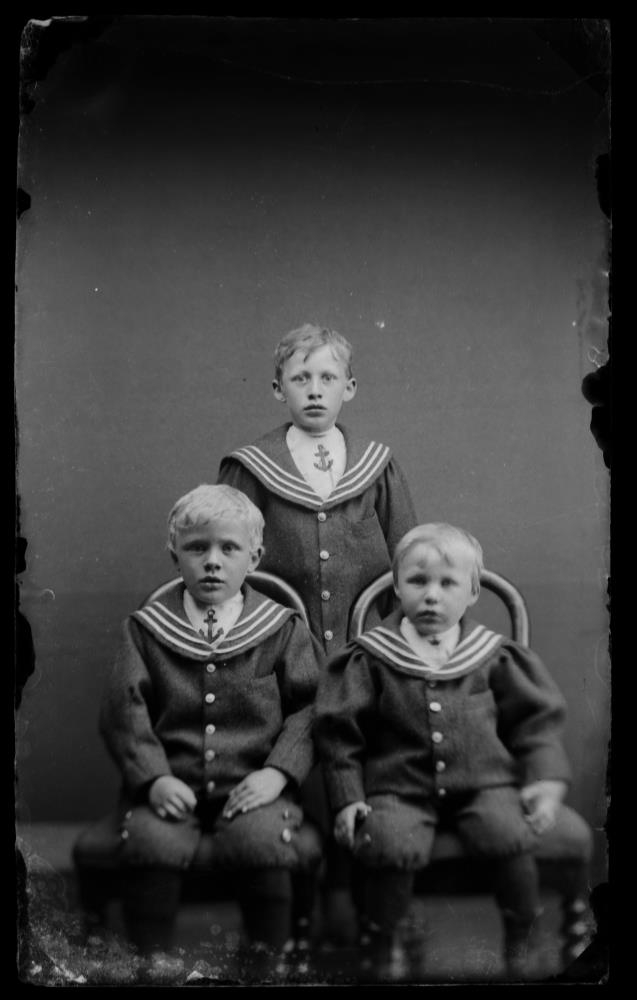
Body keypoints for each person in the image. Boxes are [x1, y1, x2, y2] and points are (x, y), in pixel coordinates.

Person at [217, 323, 418, 942]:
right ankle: (295, 914)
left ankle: (367, 913)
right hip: (281, 662)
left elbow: (410, 562)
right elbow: (224, 560)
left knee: (372, 774)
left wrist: (394, 647)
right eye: (300, 377)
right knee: (286, 772)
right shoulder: (251, 467)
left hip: (363, 654)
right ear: (278, 389)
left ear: (349, 388)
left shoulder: (377, 466)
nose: (314, 389)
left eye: (327, 377)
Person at [314, 522, 577, 981]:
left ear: (473, 592)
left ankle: (521, 936)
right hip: (399, 786)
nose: (431, 596)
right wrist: (347, 796)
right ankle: (385, 940)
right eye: (418, 581)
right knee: (388, 842)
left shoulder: (493, 655)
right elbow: (340, 734)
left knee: (509, 834)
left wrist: (546, 780)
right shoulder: (370, 657)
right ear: (397, 587)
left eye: (448, 583)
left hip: (485, 782)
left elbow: (534, 722)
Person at [98, 484, 322, 982]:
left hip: (254, 786)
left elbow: (310, 709)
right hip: (171, 781)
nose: (213, 562)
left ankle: (265, 962)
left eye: (229, 548)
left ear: (255, 557)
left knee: (264, 840)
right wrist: (154, 778)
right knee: (150, 840)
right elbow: (123, 712)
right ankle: (151, 960)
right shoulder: (146, 629)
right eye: (198, 548)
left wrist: (278, 774)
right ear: (174, 553)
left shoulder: (282, 628)